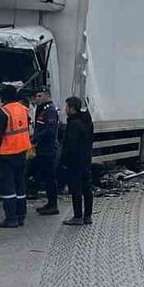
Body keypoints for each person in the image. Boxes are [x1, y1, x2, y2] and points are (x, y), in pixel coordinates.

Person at [0, 84, 31, 228]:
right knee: (20, 185)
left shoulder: (3, 112)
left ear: (3, 97)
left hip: (6, 155)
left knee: (8, 187)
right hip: (22, 152)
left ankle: (11, 219)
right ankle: (20, 216)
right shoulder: (23, 109)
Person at [59, 96, 94, 226]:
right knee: (87, 188)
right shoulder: (87, 122)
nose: (65, 109)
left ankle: (78, 216)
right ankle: (88, 216)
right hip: (86, 160)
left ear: (72, 108)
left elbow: (70, 146)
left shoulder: (73, 124)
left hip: (75, 162)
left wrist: (64, 161)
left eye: (66, 107)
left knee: (76, 189)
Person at [31, 88, 61, 216]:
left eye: (39, 95)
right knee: (45, 176)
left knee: (50, 178)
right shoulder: (42, 109)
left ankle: (53, 205)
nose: (36, 98)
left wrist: (36, 138)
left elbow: (49, 129)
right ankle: (50, 203)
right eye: (36, 96)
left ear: (47, 96)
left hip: (48, 149)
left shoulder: (49, 110)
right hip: (42, 149)